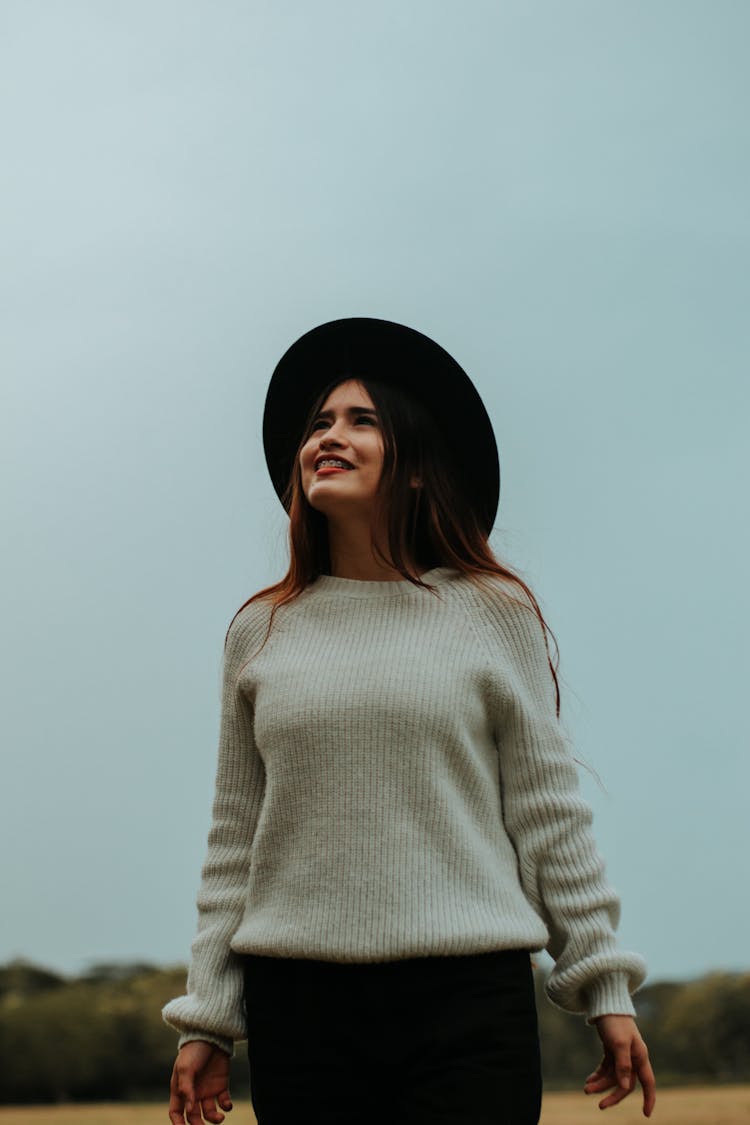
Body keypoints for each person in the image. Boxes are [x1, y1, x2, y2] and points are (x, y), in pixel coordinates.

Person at [163, 318, 656, 1125]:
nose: (329, 435)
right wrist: (209, 1015)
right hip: (302, 1012)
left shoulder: (493, 613)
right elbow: (234, 840)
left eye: (361, 420)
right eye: (319, 423)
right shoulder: (260, 630)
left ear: (420, 468)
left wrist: (601, 978)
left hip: (466, 1003)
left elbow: (546, 812)